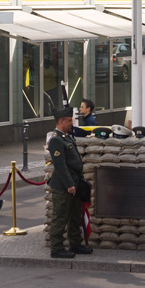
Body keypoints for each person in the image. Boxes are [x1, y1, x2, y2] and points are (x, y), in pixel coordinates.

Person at [48, 106, 93, 258]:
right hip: (64, 186)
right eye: (68, 121)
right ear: (61, 121)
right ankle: (56, 248)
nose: (71, 124)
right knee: (60, 217)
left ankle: (75, 243)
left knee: (75, 216)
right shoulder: (55, 139)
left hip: (74, 183)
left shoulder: (66, 137)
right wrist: (69, 184)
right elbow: (60, 166)